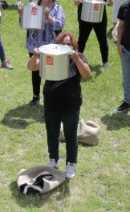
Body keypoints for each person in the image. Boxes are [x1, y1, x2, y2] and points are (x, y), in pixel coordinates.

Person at [26, 32, 91, 179]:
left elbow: (87, 74)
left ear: (74, 46)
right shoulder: (51, 56)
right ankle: (53, 159)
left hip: (71, 105)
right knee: (52, 133)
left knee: (70, 136)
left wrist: (76, 59)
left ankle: (71, 164)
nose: (66, 46)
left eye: (69, 44)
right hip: (51, 104)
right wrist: (35, 55)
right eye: (63, 44)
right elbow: (31, 67)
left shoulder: (78, 57)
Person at [18, 0, 65, 107]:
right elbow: (23, 24)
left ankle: (51, 96)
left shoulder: (57, 8)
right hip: (35, 45)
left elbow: (60, 24)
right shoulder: (32, 6)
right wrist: (22, 15)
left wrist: (48, 17)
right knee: (35, 70)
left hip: (52, 46)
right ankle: (36, 96)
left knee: (51, 70)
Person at [74, 0, 113, 68]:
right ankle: (77, 60)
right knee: (82, 40)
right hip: (84, 19)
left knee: (102, 40)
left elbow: (109, 3)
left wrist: (109, 0)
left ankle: (105, 62)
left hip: (99, 20)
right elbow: (76, 1)